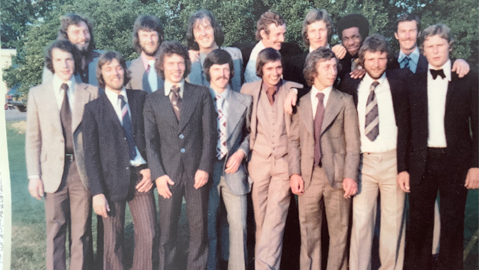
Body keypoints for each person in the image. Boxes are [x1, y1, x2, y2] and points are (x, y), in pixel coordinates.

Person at [398, 24, 478, 270]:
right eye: (430, 46)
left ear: (449, 46)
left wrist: (476, 165)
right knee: (419, 226)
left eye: (440, 45)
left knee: (453, 225)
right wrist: (402, 168)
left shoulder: (468, 79)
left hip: (457, 163)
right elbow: (405, 129)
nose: (435, 51)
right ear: (423, 50)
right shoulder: (413, 83)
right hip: (422, 162)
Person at [143, 41, 217, 270]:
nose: (176, 68)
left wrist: (204, 167)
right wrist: (158, 175)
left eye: (180, 63)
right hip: (168, 176)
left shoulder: (201, 94)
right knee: (167, 232)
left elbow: (209, 134)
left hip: (197, 173)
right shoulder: (152, 100)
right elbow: (150, 142)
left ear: (186, 65)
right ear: (162, 67)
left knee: (198, 229)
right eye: (171, 63)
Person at [26, 39, 98, 270]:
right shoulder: (38, 94)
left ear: (75, 61)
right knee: (55, 229)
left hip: (81, 170)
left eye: (68, 59)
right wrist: (33, 176)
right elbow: (33, 138)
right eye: (59, 60)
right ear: (51, 63)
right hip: (52, 172)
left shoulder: (91, 93)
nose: (65, 65)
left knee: (81, 231)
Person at [340, 34, 410, 270]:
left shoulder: (400, 81)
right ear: (362, 61)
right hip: (364, 163)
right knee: (361, 223)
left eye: (381, 58)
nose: (377, 64)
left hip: (392, 160)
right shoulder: (351, 84)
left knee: (392, 222)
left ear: (387, 59)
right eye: (371, 59)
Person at [82, 51, 157, 270]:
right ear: (101, 74)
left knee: (148, 233)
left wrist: (151, 168)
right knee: (111, 241)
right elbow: (91, 155)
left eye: (118, 67)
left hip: (141, 177)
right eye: (108, 69)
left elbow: (152, 137)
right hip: (110, 182)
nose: (115, 73)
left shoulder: (140, 98)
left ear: (124, 70)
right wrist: (97, 193)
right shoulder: (93, 110)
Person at [288, 47, 360, 270]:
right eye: (326, 67)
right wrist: (294, 173)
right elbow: (294, 141)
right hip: (309, 176)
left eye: (334, 66)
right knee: (308, 233)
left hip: (337, 177)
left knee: (340, 232)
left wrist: (350, 175)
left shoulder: (345, 101)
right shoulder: (301, 103)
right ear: (313, 71)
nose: (333, 71)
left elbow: (353, 143)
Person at [240, 48, 303, 270]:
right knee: (262, 222)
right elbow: (244, 127)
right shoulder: (248, 90)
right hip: (259, 162)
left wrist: (295, 91)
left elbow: (305, 89)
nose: (275, 73)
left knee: (275, 221)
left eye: (278, 67)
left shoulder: (292, 89)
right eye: (270, 68)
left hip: (283, 164)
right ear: (261, 70)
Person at [203, 49, 252, 270]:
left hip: (234, 171)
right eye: (216, 69)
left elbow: (253, 133)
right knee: (209, 226)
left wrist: (241, 152)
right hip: (206, 172)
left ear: (232, 71)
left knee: (238, 225)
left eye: (226, 69)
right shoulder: (198, 99)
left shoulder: (244, 100)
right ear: (208, 72)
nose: (222, 74)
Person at [283, 9, 347, 90]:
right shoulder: (294, 64)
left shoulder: (342, 57)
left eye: (321, 30)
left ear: (328, 31)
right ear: (307, 35)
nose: (318, 36)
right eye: (313, 31)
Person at [186, 9, 243, 92]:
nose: (204, 33)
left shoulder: (235, 55)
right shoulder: (189, 62)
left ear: (214, 30)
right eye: (198, 29)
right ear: (193, 36)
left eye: (207, 27)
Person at [241, 11, 302, 83]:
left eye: (283, 34)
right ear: (263, 34)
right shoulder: (255, 65)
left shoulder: (290, 50)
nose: (282, 39)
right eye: (277, 34)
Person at [42, 13, 102, 85]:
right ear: (66, 36)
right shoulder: (55, 63)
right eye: (76, 32)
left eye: (85, 31)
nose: (83, 37)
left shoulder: (104, 59)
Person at [126, 15, 165, 93]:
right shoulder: (128, 69)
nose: (150, 40)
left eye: (153, 35)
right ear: (138, 38)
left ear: (159, 37)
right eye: (145, 35)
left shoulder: (171, 66)